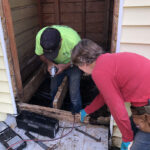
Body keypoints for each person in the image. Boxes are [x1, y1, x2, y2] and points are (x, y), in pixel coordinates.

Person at [71, 39, 150, 150]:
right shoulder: (106, 60)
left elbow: (117, 109)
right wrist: (87, 110)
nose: (79, 69)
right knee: (132, 126)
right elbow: (105, 95)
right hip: (144, 101)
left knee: (137, 146)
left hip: (147, 103)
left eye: (78, 66)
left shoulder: (99, 72)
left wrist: (127, 139)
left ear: (83, 63)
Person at [35, 25, 82, 113]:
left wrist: (65, 66)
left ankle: (76, 113)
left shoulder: (74, 40)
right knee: (53, 89)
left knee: (74, 92)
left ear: (61, 40)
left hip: (74, 63)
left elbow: (80, 59)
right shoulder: (40, 37)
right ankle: (54, 111)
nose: (53, 53)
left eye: (55, 51)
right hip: (55, 64)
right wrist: (49, 63)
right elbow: (40, 54)